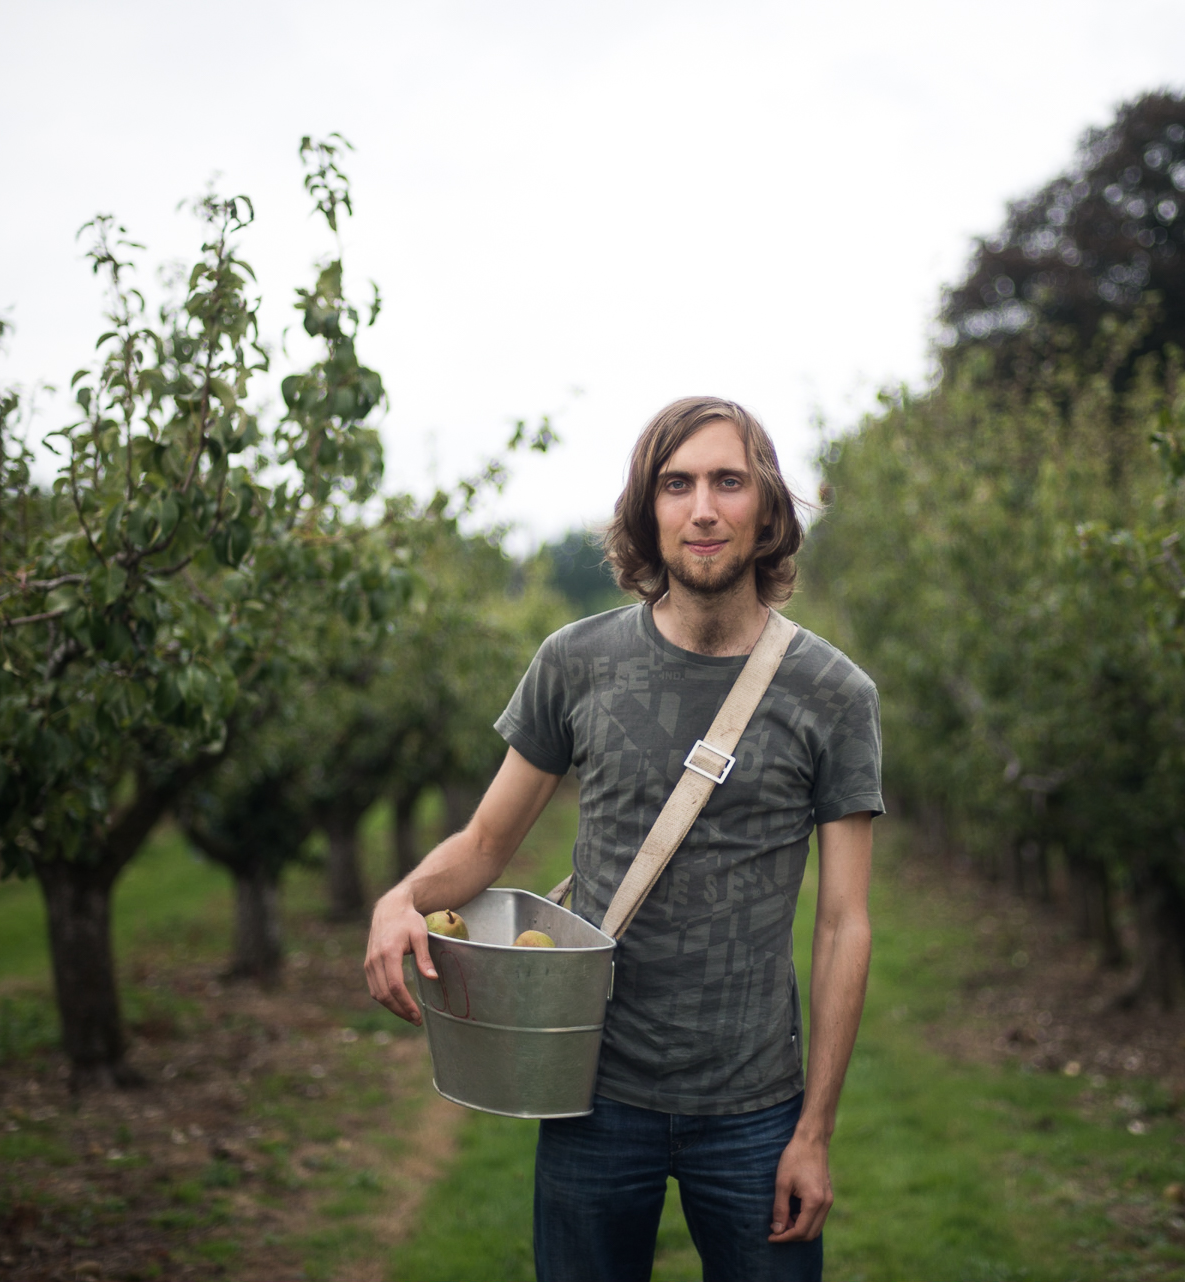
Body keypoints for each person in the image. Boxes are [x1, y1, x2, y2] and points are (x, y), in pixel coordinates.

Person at [364, 395, 881, 1282]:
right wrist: (400, 899)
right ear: (648, 512)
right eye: (676, 485)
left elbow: (843, 925)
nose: (704, 508)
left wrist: (814, 1133)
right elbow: (487, 842)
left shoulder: (832, 693)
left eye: (729, 481)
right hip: (591, 1094)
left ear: (767, 511)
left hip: (755, 1110)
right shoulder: (576, 661)